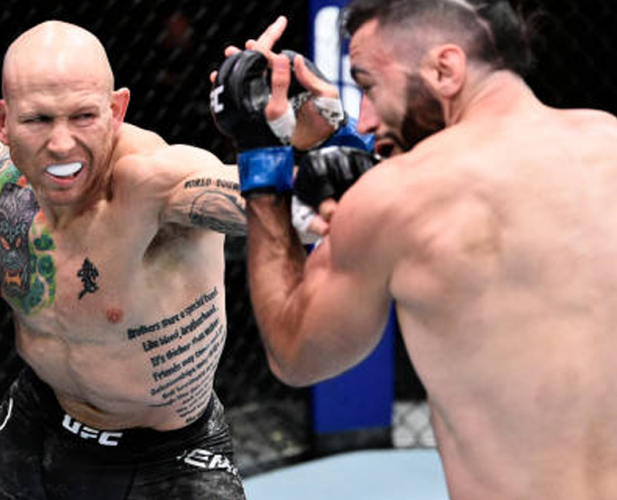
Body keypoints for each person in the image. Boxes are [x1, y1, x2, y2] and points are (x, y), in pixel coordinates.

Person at [214, 2, 617, 499]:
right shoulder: (608, 137)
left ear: (445, 70)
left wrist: (261, 156)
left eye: (368, 87)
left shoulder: (398, 198)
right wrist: (347, 143)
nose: (365, 119)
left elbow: (297, 353)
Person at [0, 20, 250, 500]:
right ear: (1, 120)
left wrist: (279, 140)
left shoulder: (155, 181)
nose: (60, 144)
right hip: (40, 422)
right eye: (37, 120)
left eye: (83, 116)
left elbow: (280, 205)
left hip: (172, 458)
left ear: (116, 110)